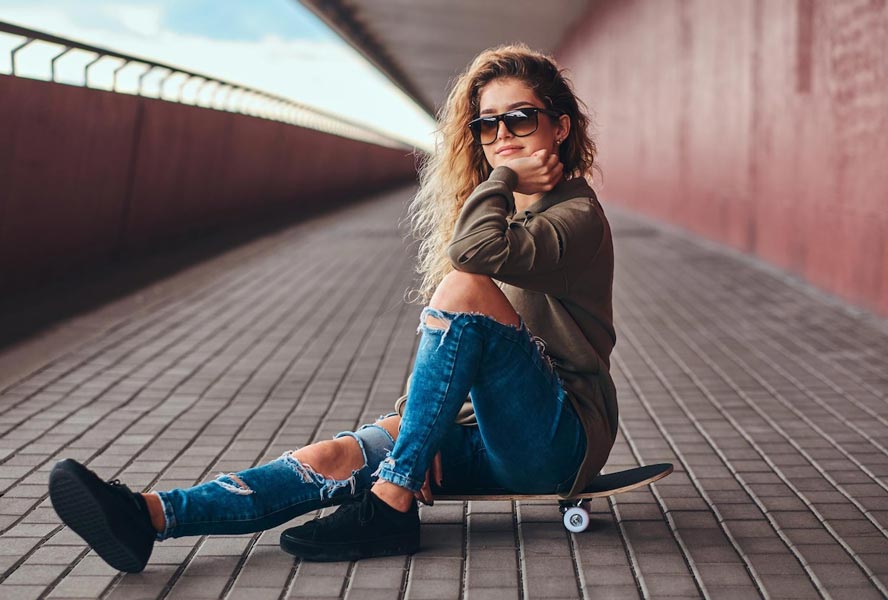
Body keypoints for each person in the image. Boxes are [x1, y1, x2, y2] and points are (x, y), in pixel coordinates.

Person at [48, 43, 617, 571]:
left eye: (520, 118)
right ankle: (149, 516)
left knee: (464, 287)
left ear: (559, 127)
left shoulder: (577, 218)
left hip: (557, 439)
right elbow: (467, 344)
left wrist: (497, 180)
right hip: (488, 431)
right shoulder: (505, 212)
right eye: (486, 125)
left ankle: (390, 503)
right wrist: (416, 430)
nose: (502, 136)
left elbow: (470, 256)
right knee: (335, 455)